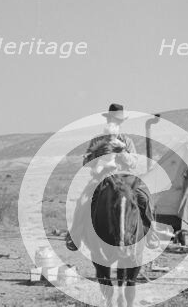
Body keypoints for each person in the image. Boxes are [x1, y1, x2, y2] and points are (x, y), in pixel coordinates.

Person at [66, 104, 158, 251]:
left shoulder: (127, 141)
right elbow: (86, 162)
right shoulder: (97, 140)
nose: (115, 122)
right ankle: (74, 235)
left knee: (145, 197)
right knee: (83, 200)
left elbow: (134, 163)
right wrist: (99, 154)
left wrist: (121, 151)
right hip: (102, 177)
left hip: (125, 177)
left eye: (118, 120)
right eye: (113, 119)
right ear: (108, 119)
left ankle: (151, 232)